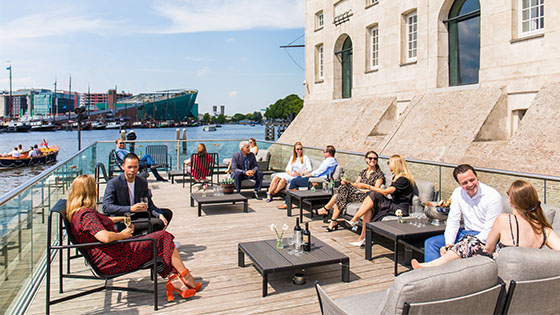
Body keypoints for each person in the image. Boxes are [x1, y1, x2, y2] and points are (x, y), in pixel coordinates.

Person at [67, 175, 201, 301]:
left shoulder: (79, 213)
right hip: (113, 260)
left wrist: (123, 218)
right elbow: (105, 237)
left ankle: (175, 279)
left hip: (113, 253)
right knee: (163, 237)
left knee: (159, 242)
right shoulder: (86, 215)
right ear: (89, 192)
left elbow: (104, 220)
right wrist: (123, 235)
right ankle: (185, 276)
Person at [412, 180, 560, 269]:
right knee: (469, 240)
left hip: (498, 267)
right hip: (523, 269)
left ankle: (435, 265)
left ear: (512, 202)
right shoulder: (545, 230)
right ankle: (440, 260)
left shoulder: (505, 220)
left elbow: (488, 248)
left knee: (470, 241)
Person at [423, 164, 503, 262]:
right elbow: (453, 220)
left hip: (483, 237)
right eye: (465, 183)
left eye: (472, 180)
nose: (470, 184)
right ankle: (433, 275)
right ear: (459, 184)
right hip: (465, 233)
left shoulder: (493, 196)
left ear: (476, 177)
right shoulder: (458, 193)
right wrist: (449, 244)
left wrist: (459, 246)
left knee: (458, 249)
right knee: (431, 243)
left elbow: (490, 231)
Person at [345, 155, 414, 246]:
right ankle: (362, 238)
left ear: (396, 165)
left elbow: (386, 191)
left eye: (389, 163)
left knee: (374, 194)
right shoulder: (396, 177)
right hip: (393, 204)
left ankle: (355, 219)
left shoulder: (403, 180)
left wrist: (367, 186)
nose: (388, 165)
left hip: (399, 208)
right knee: (369, 207)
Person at [103, 153, 173, 235]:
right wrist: (130, 208)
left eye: (135, 167)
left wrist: (159, 214)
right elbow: (106, 207)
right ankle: (148, 240)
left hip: (139, 214)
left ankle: (147, 239)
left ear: (138, 167)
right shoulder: (114, 183)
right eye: (129, 167)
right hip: (123, 218)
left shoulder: (142, 182)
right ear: (123, 166)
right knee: (158, 222)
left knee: (166, 214)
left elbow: (149, 203)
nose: (132, 170)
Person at [319, 151, 385, 232]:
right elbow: (356, 184)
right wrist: (348, 183)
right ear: (366, 159)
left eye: (375, 158)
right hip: (357, 193)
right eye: (370, 158)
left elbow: (376, 190)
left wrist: (361, 188)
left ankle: (328, 212)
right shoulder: (363, 172)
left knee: (340, 193)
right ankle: (332, 219)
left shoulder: (379, 174)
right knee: (342, 189)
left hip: (368, 196)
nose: (373, 160)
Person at [278, 145, 338, 209]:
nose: (323, 153)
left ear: (328, 153)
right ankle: (294, 197)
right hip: (317, 178)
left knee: (294, 181)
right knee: (297, 179)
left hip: (316, 180)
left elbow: (318, 172)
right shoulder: (333, 160)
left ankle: (288, 203)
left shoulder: (328, 161)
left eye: (324, 152)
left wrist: (307, 175)